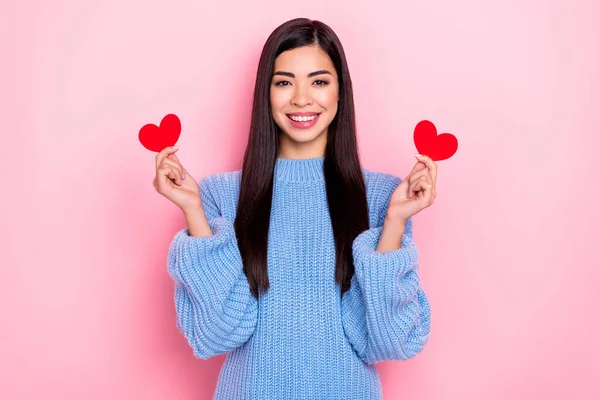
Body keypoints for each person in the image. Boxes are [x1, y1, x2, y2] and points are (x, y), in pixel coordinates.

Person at [153, 17, 436, 400]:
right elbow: (218, 333)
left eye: (319, 81)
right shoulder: (221, 195)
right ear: (265, 93)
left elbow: (386, 340)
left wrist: (394, 221)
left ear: (341, 92)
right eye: (284, 82)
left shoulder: (384, 197)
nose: (301, 98)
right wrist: (193, 210)